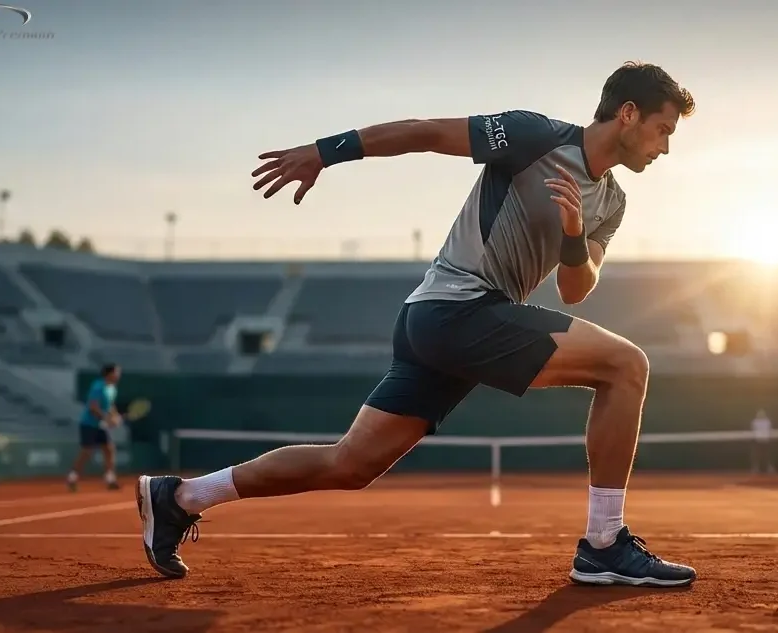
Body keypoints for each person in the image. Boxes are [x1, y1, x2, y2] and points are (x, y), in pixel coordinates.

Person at [137, 61, 698, 586]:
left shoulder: (613, 201)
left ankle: (181, 497)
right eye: (662, 129)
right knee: (627, 366)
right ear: (627, 113)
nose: (665, 147)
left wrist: (574, 232)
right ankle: (603, 544)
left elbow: (577, 287)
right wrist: (323, 152)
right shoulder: (536, 136)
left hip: (453, 323)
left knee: (350, 463)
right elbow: (426, 132)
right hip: (453, 310)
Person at [68, 363, 122, 492]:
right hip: (89, 424)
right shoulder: (98, 386)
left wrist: (115, 416)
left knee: (109, 449)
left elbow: (110, 405)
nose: (118, 375)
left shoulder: (113, 389)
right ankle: (72, 477)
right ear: (109, 374)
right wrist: (107, 419)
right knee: (87, 451)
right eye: (117, 372)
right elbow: (93, 407)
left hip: (101, 425)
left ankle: (110, 479)